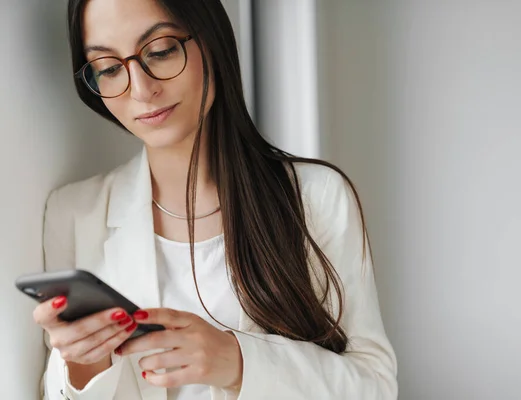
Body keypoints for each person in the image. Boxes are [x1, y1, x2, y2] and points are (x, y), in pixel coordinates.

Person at [33, 0, 398, 399]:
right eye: (109, 68)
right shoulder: (73, 214)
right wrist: (84, 366)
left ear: (211, 39)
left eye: (160, 51)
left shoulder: (315, 196)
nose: (141, 89)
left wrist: (237, 363)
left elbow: (374, 386)